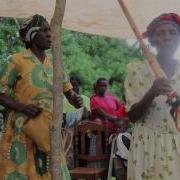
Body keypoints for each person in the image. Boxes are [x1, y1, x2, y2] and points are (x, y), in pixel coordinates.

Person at [0, 14, 82, 179]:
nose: (49, 34)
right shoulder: (16, 60)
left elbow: (69, 92)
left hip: (49, 131)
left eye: (49, 30)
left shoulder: (55, 63)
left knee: (53, 171)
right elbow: (1, 94)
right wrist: (22, 107)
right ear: (31, 34)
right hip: (22, 130)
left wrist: (75, 99)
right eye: (44, 31)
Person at [125, 13, 180, 180]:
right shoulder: (135, 70)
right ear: (152, 40)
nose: (167, 36)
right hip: (147, 145)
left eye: (172, 32)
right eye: (161, 33)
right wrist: (151, 93)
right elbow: (132, 116)